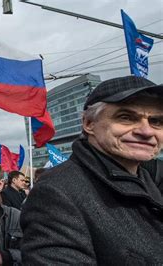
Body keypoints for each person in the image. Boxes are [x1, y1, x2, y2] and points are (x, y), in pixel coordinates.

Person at [21, 76, 163, 264]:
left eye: (157, 121)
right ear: (89, 124)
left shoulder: (151, 178)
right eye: (126, 117)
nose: (146, 131)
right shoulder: (56, 193)